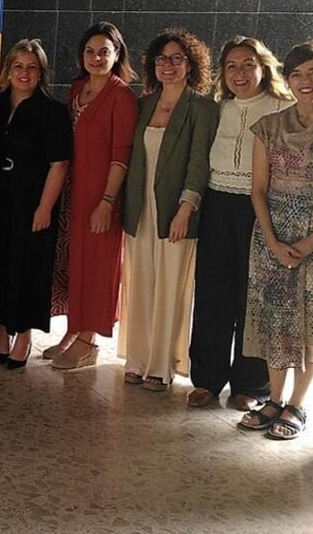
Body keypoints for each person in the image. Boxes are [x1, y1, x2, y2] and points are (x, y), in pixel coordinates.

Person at [242, 42, 313, 440]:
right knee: (274, 318)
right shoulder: (269, 125)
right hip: (272, 232)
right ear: (286, 78)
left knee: (311, 321)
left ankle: (298, 405)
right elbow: (258, 189)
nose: (305, 81)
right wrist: (272, 240)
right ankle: (275, 398)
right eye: (297, 74)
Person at [188, 37, 291, 409]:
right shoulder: (220, 108)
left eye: (248, 64)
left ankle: (252, 385)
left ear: (264, 67)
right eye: (231, 66)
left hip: (259, 208)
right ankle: (207, 379)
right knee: (213, 294)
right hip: (217, 203)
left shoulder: (283, 107)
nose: (240, 73)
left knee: (254, 296)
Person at [118, 29, 218, 391]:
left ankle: (161, 366)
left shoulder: (203, 107)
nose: (169, 65)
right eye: (162, 59)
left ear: (191, 65)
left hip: (176, 212)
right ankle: (138, 359)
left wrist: (185, 208)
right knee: (141, 283)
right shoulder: (143, 104)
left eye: (177, 58)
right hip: (139, 208)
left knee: (171, 288)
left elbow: (199, 163)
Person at [0, 39, 71, 369]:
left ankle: (25, 334)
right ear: (8, 70)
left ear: (41, 72)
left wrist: (45, 208)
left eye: (31, 67)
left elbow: (59, 165)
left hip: (34, 199)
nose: (24, 73)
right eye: (18, 66)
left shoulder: (53, 111)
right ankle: (2, 330)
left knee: (30, 267)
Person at [49, 22, 139, 370]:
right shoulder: (77, 89)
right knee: (74, 265)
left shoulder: (121, 96)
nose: (96, 57)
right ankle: (73, 330)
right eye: (90, 51)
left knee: (98, 268)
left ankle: (89, 341)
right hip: (73, 192)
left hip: (101, 196)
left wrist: (107, 201)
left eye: (104, 51)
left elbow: (122, 153)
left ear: (117, 55)